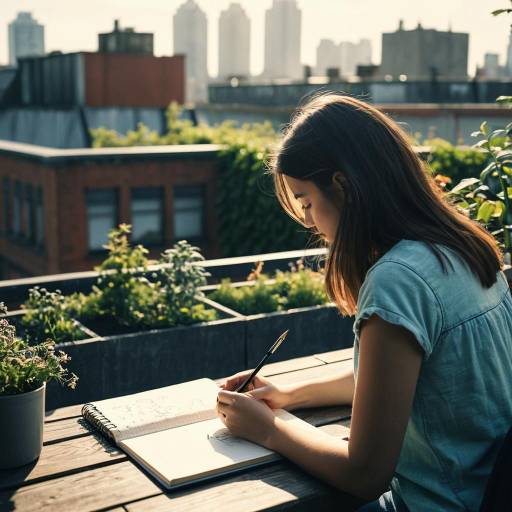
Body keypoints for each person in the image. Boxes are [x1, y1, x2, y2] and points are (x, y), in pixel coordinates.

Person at [216, 93, 512, 511]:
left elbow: (365, 474)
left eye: (305, 201)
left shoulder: (397, 280)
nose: (305, 219)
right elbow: (393, 383)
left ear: (343, 186)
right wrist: (288, 396)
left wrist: (268, 429)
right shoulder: (459, 248)